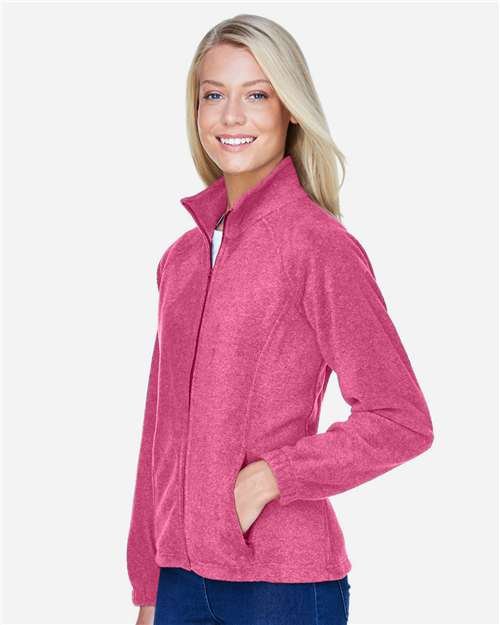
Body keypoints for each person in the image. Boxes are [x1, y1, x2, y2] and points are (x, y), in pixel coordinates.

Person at [126, 13, 434, 625]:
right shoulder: (182, 259)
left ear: (290, 108)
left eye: (257, 95)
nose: (231, 117)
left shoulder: (318, 246)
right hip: (179, 582)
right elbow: (158, 435)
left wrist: (272, 477)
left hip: (282, 586)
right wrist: (147, 587)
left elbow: (400, 419)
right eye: (214, 95)